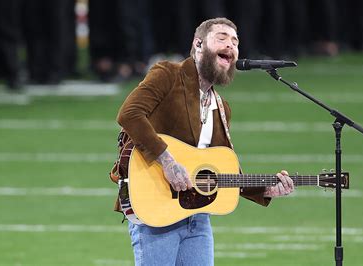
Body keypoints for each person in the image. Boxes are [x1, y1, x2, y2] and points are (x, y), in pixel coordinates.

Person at [116, 17, 295, 265]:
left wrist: (264, 189)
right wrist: (167, 161)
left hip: (197, 217)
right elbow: (129, 114)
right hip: (156, 210)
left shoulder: (221, 107)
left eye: (235, 41)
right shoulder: (168, 74)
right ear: (198, 44)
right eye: (222, 38)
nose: (231, 45)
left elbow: (222, 170)